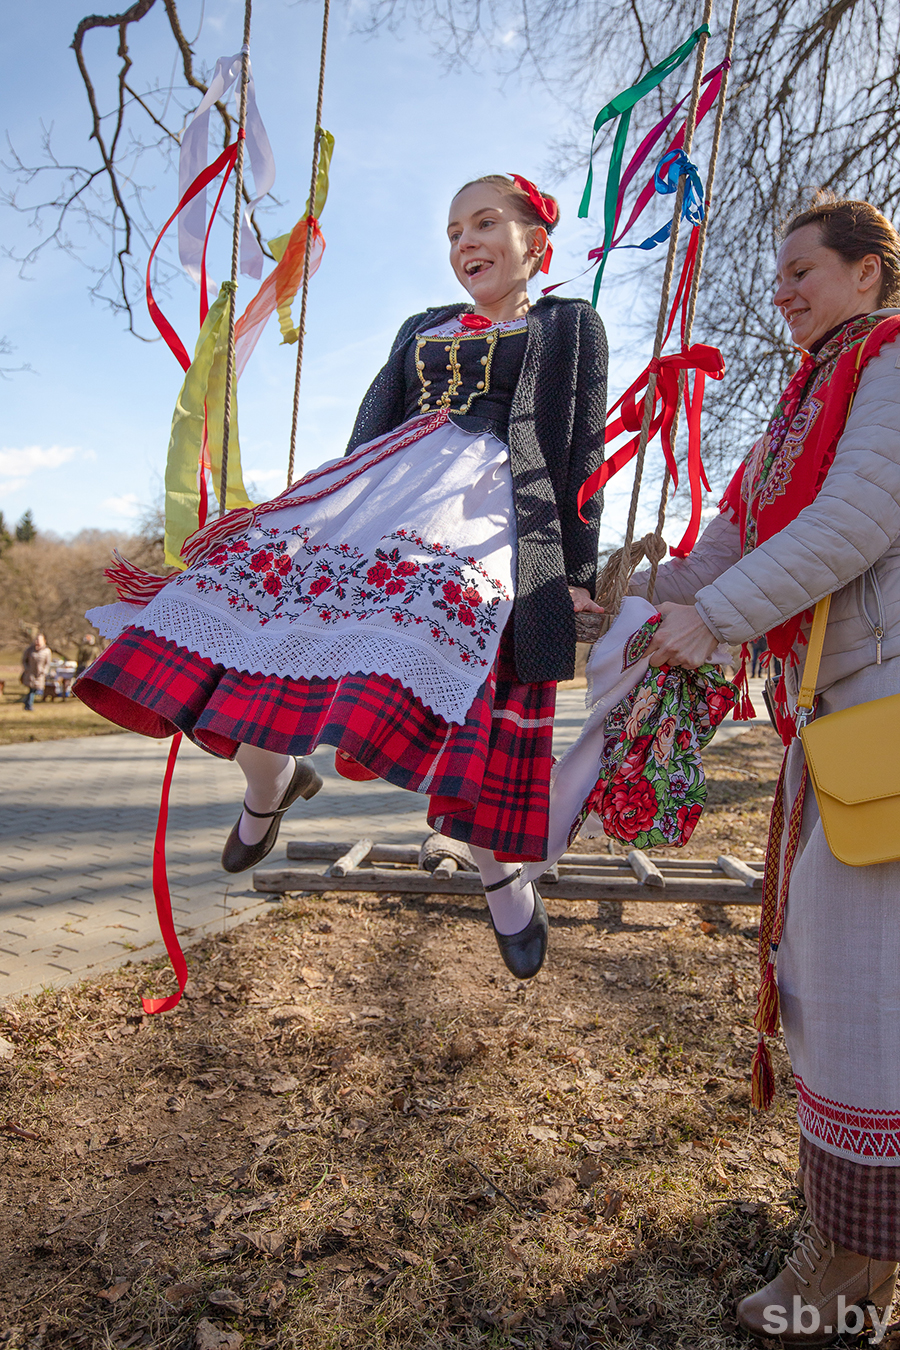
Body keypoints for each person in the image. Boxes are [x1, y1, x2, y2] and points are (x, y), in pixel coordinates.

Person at [76, 174, 608, 980]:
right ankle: (273, 782)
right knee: (249, 610)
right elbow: (373, 423)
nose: (467, 240)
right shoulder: (421, 326)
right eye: (453, 229)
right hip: (383, 488)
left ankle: (498, 873)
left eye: (486, 222)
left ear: (536, 239)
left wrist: (573, 570)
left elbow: (581, 451)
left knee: (455, 659)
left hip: (493, 510)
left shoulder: (568, 324)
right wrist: (332, 504)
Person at [630, 195, 900, 1343]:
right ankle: (853, 1234)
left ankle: (851, 1272)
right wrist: (640, 604)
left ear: (869, 278)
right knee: (828, 977)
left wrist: (721, 618)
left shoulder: (891, 365)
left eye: (803, 269)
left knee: (861, 988)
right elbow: (737, 536)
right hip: (838, 718)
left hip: (887, 713)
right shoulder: (801, 403)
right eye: (778, 271)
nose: (783, 288)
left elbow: (859, 518)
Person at [21, 633, 52, 712]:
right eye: (36, 639)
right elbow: (24, 660)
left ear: (44, 641)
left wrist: (44, 671)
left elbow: (48, 663)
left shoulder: (47, 651)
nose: (37, 641)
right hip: (30, 673)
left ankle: (26, 702)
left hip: (40, 674)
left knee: (34, 689)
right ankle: (29, 705)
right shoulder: (30, 650)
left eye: (39, 640)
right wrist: (26, 669)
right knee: (32, 689)